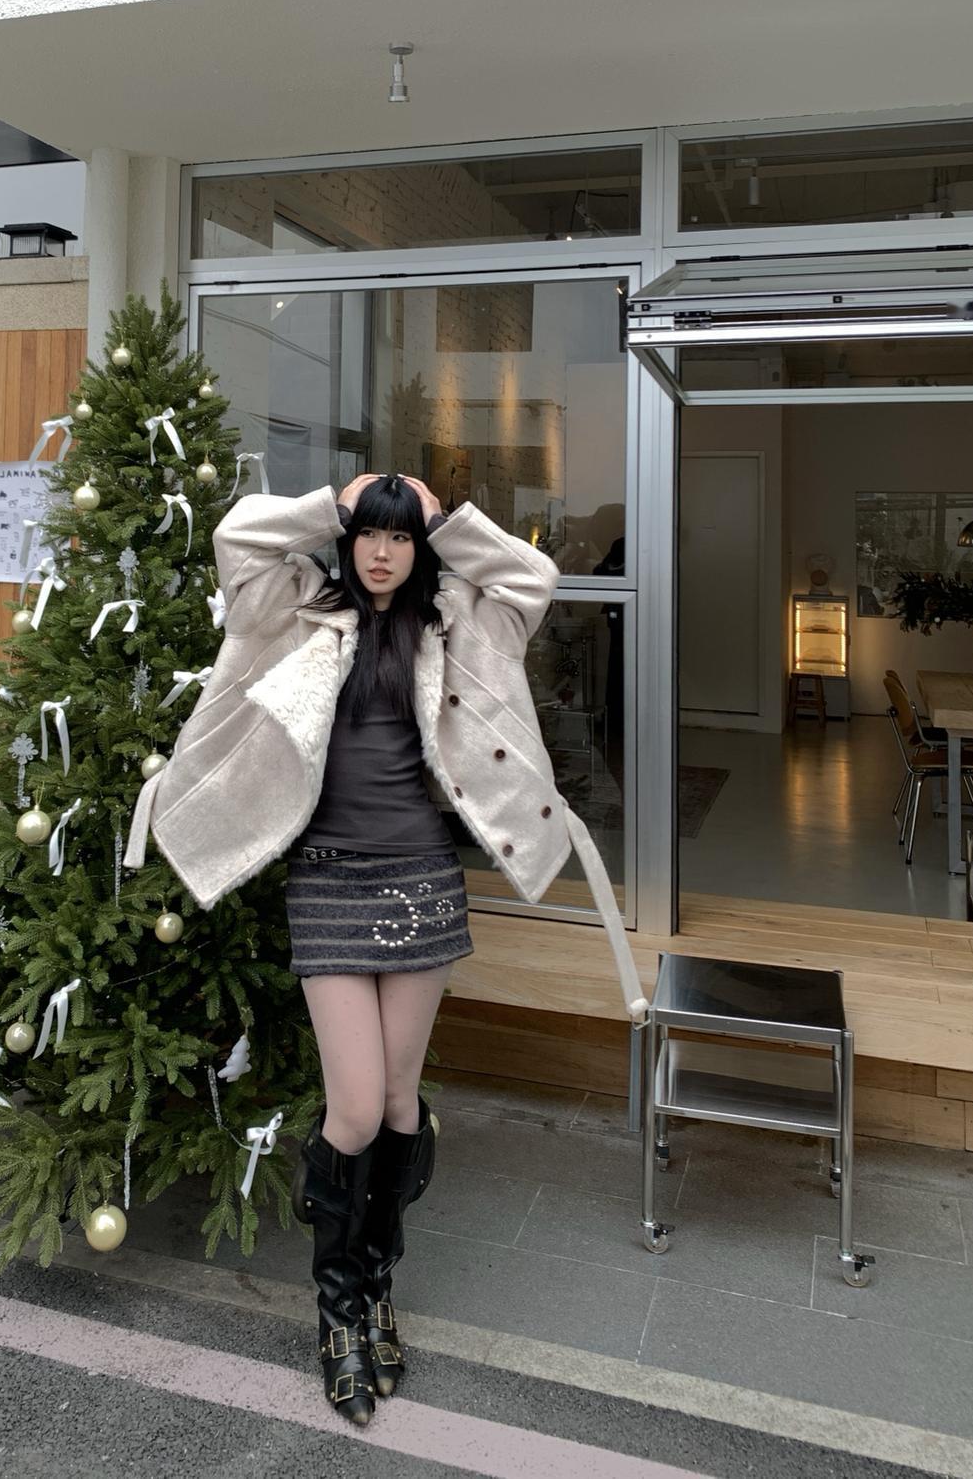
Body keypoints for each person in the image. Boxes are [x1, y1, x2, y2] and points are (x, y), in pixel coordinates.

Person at [126, 473, 645, 1428]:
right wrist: (331, 503)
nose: (380, 552)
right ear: (345, 537)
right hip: (326, 881)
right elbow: (239, 541)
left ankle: (373, 1291)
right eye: (367, 533)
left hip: (420, 881)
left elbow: (531, 577)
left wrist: (443, 520)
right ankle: (336, 1315)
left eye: (399, 538)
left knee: (401, 1105)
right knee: (357, 1107)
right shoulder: (293, 611)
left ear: (420, 548)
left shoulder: (460, 625)